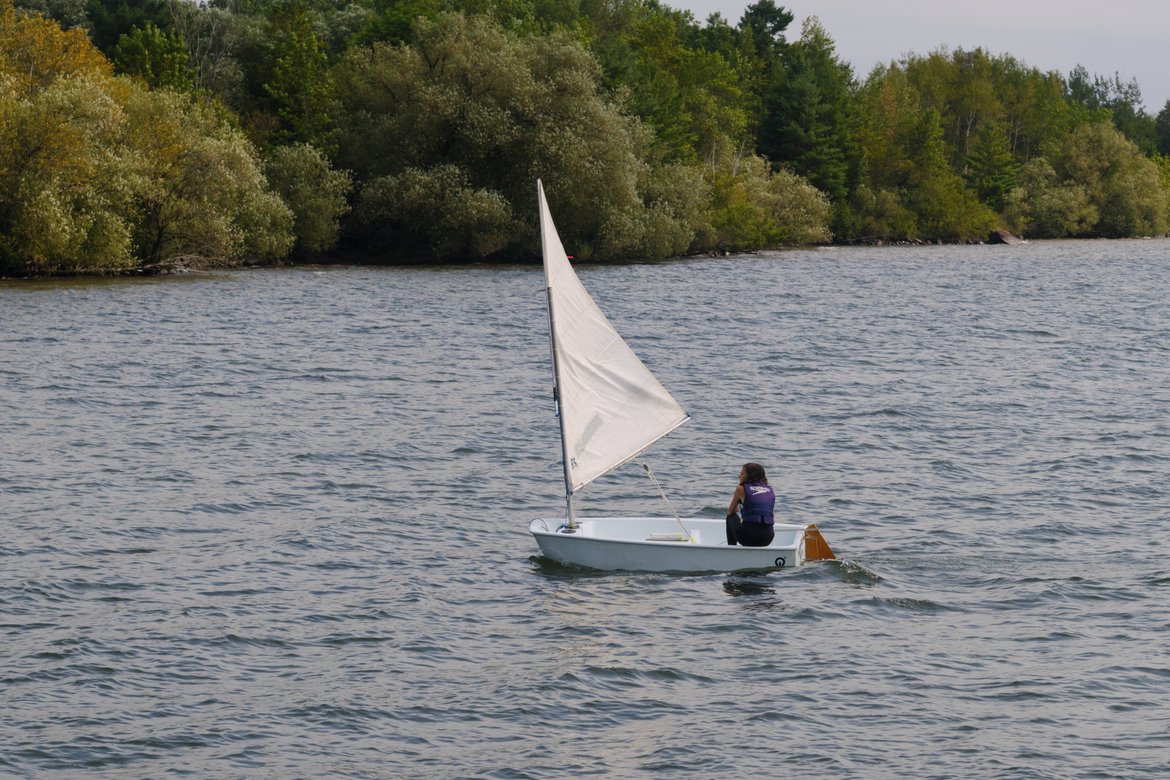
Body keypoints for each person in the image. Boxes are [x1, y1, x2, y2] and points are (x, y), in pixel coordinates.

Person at [726, 462, 776, 547]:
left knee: (731, 517)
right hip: (767, 538)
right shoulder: (770, 489)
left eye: (742, 473)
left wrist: (739, 506)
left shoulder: (741, 489)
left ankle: (731, 549)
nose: (739, 476)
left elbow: (730, 511)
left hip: (748, 538)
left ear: (750, 476)